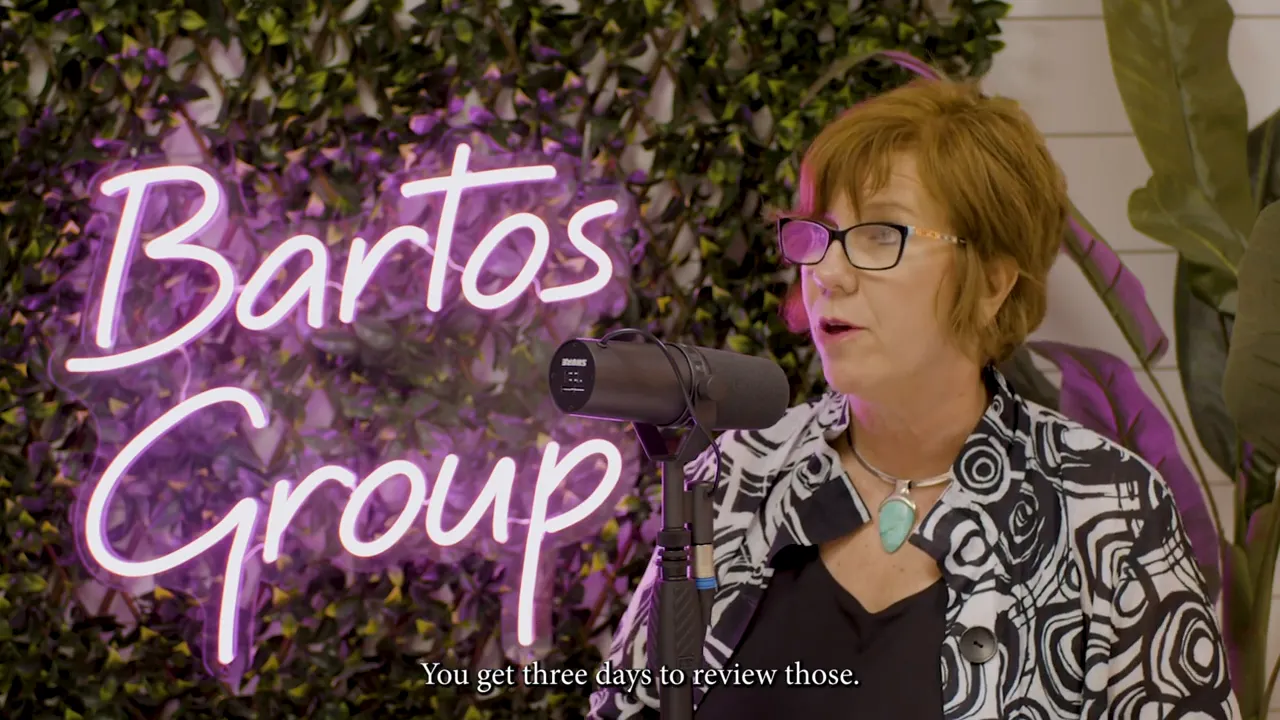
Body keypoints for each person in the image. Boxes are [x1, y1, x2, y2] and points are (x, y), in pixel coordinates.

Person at [587, 78, 1238, 719]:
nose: (830, 274)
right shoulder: (736, 476)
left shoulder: (1108, 509)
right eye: (820, 233)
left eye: (880, 235)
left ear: (992, 282)